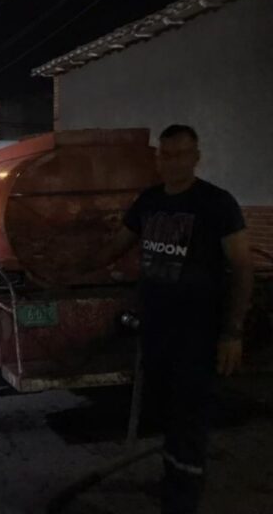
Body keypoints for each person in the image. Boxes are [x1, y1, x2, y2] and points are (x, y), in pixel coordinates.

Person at [69, 124, 253, 513]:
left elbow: (242, 268)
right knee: (166, 410)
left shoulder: (216, 203)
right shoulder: (149, 201)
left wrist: (232, 333)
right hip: (157, 328)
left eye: (181, 154)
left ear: (196, 157)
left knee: (190, 414)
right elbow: (117, 245)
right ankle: (172, 482)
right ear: (158, 159)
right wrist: (72, 269)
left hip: (198, 332)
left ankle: (184, 497)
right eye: (166, 155)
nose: (173, 162)